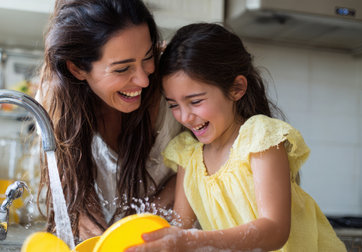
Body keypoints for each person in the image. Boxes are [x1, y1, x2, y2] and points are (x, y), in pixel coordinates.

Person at [127, 23, 346, 251]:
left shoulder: (259, 140)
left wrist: (192, 241)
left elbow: (274, 230)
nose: (184, 116)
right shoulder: (187, 155)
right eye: (173, 105)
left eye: (195, 101)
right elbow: (180, 227)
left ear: (236, 88)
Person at [37, 0, 182, 242]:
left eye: (148, 56)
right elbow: (71, 188)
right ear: (77, 69)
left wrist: (142, 224)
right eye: (122, 69)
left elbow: (213, 157)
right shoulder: (55, 104)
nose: (144, 80)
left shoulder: (177, 83)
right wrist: (95, 227)